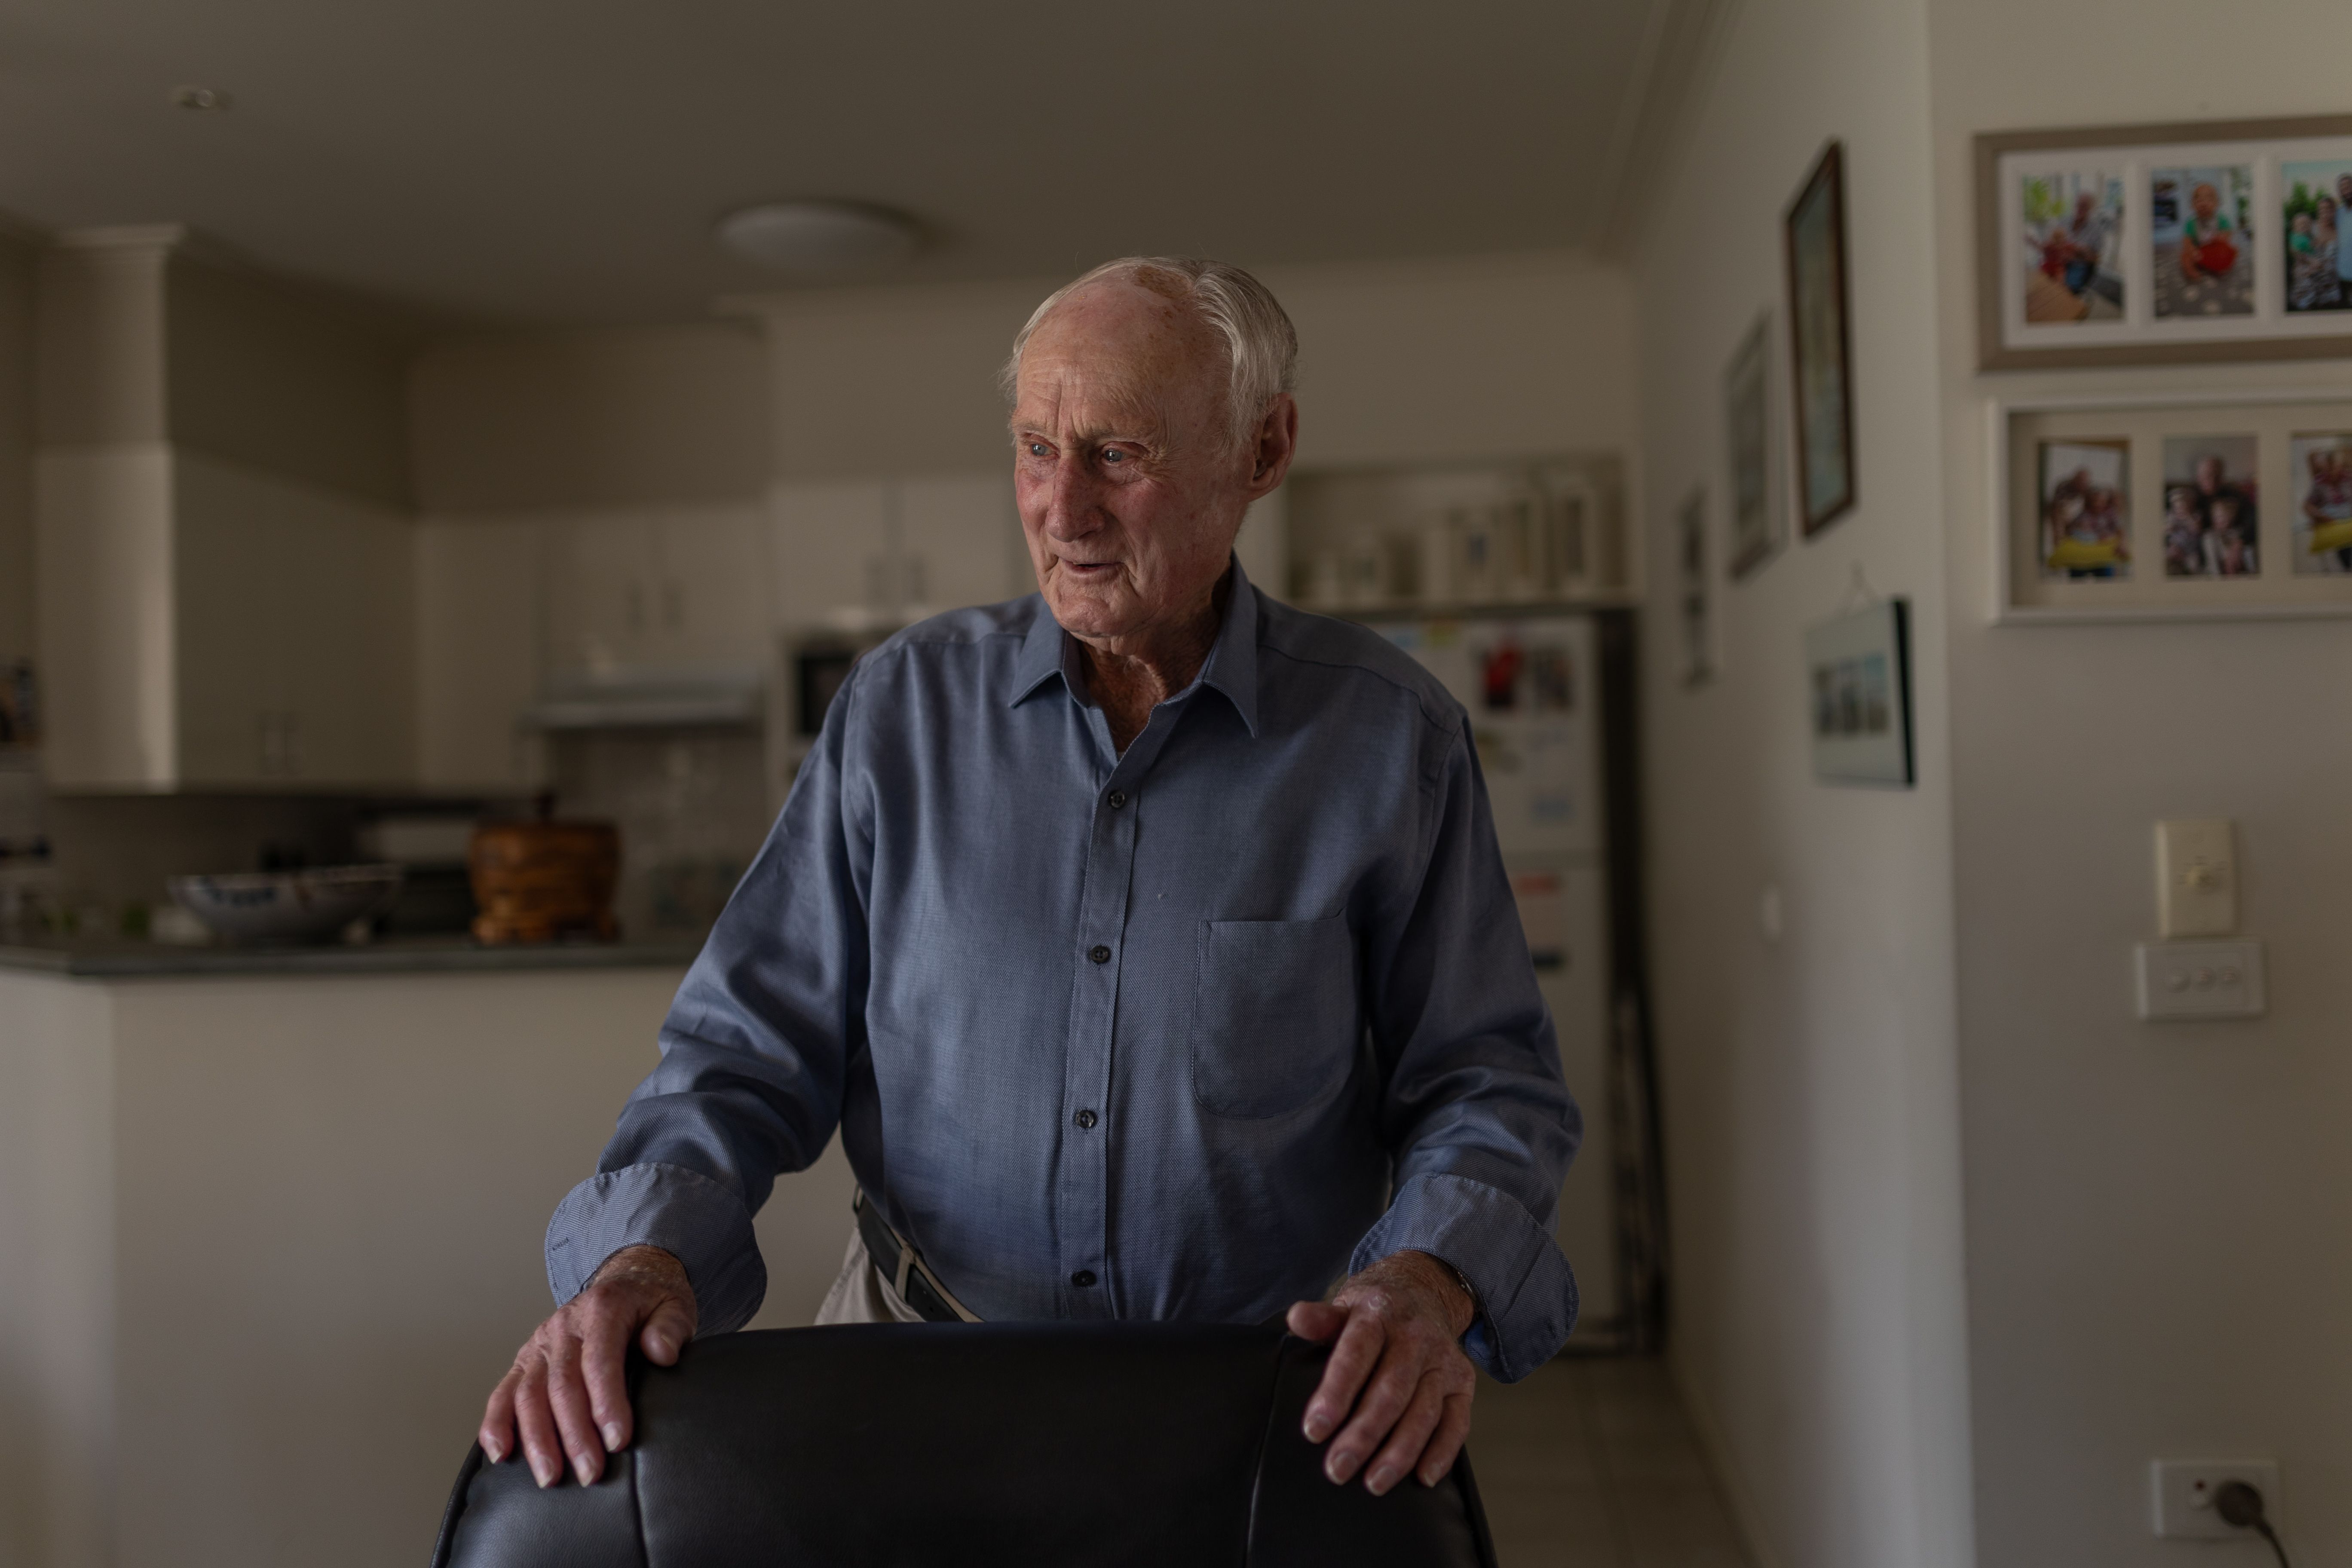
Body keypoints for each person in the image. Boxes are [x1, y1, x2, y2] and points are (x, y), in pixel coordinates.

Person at [477, 257, 1581, 1502]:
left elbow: (1487, 1081)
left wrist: (1424, 1275)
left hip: (1252, 1407)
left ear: (1262, 451)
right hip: (908, 1383)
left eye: (1119, 453)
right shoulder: (899, 713)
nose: (1064, 509)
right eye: (1036, 447)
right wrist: (639, 1260)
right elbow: (742, 1049)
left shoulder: (1391, 741)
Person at [2177, 181, 2238, 285]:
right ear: (2193, 205)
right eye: (2199, 200)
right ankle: (2191, 271)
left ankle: (2219, 267)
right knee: (2185, 256)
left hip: (2215, 251)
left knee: (2232, 251)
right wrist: (2192, 250)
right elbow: (2187, 240)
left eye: (2209, 200)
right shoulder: (2191, 223)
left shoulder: (2221, 219)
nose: (2204, 204)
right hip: (2199, 253)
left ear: (2217, 204)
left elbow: (2228, 233)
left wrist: (2222, 237)